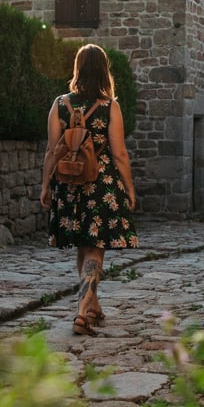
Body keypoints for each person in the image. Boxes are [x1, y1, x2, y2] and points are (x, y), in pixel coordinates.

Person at [40, 44, 138, 336]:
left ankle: (92, 304)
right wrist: (130, 189)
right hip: (100, 185)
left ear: (77, 68)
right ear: (104, 70)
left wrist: (46, 185)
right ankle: (82, 313)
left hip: (69, 185)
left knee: (84, 245)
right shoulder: (110, 108)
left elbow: (51, 150)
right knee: (95, 247)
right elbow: (120, 154)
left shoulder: (60, 104)